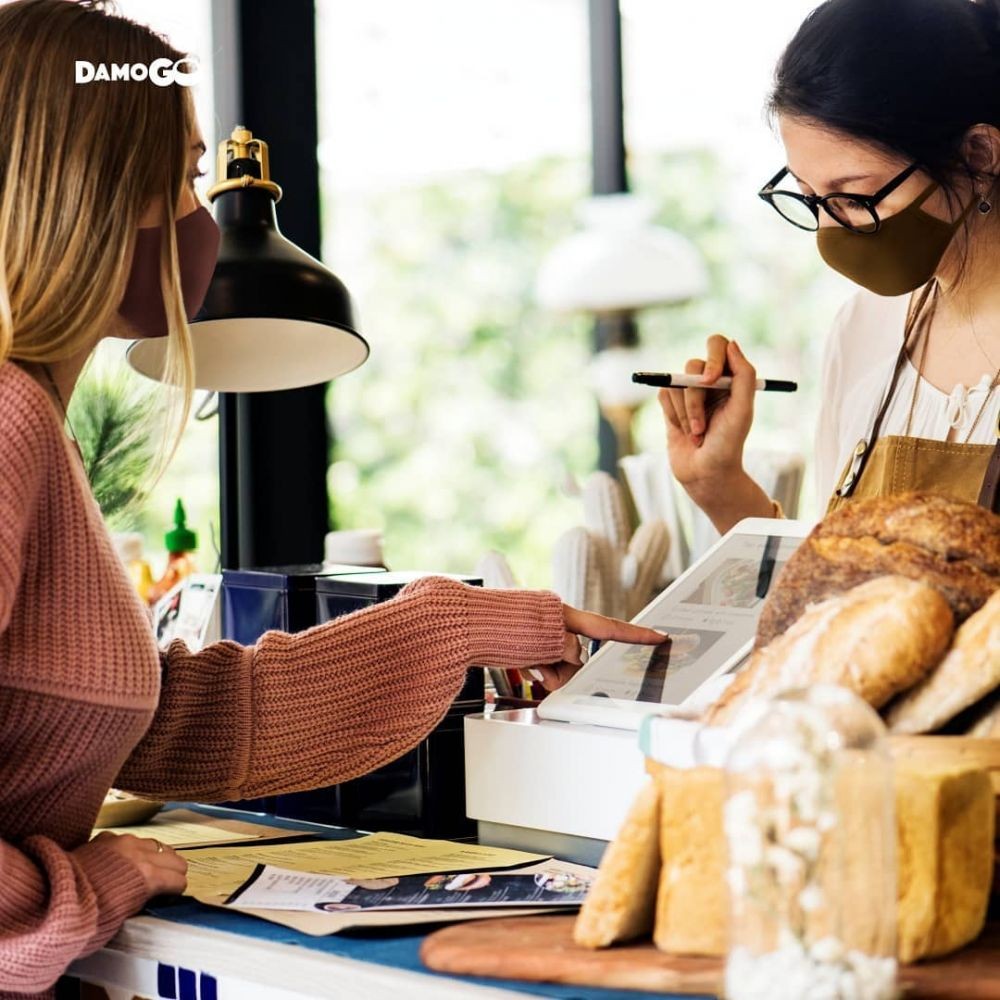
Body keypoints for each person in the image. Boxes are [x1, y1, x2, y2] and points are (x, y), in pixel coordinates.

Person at [0, 2, 665, 995]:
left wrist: (452, 624)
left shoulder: (33, 421)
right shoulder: (9, 420)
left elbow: (156, 720)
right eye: (183, 177)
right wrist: (75, 892)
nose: (201, 218)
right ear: (96, 190)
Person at [660, 0, 1000, 532]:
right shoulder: (865, 330)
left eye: (853, 198)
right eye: (810, 198)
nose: (830, 230)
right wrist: (720, 486)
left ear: (978, 155)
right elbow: (827, 594)